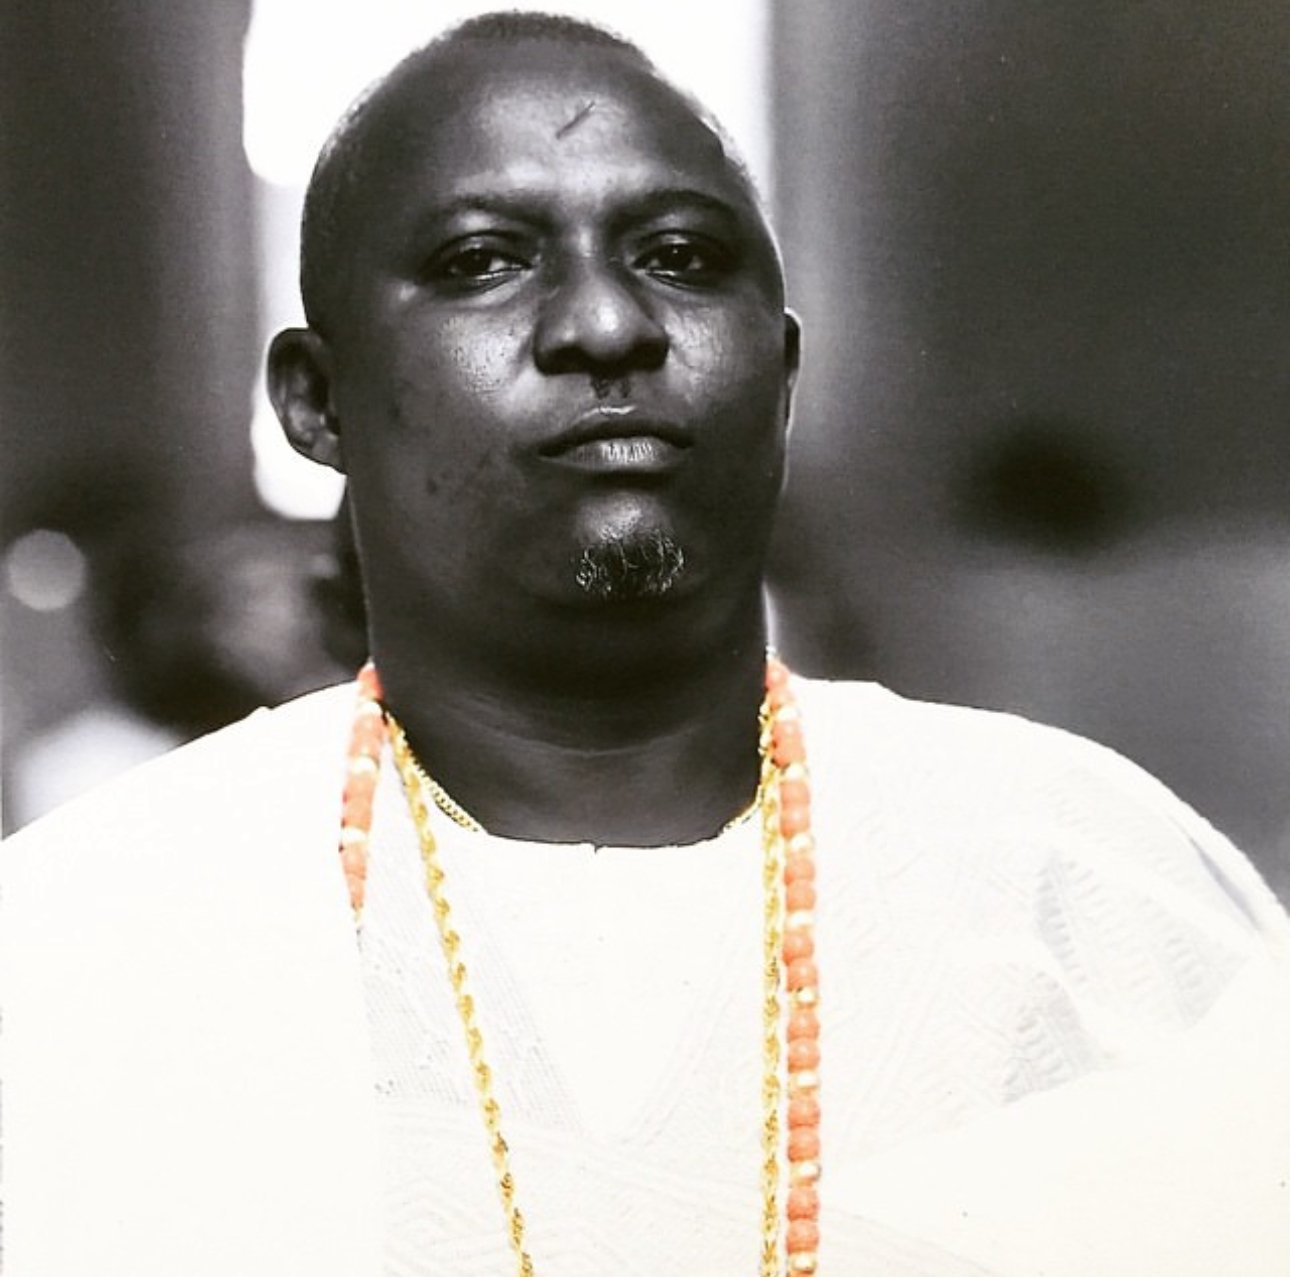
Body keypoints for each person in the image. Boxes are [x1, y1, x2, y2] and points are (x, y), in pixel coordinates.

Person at [3, 13, 1288, 1277]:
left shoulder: (1085, 882)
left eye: (680, 254)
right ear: (316, 400)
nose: (609, 324)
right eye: (481, 259)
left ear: (781, 373)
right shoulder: (89, 934)